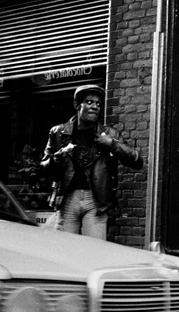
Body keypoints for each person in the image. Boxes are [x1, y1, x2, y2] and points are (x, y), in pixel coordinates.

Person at [41, 85, 143, 240]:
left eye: (98, 104)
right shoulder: (58, 133)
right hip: (67, 198)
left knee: (94, 249)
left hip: (96, 200)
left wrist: (112, 144)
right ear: (77, 105)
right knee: (63, 248)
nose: (95, 107)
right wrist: (55, 159)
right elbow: (41, 168)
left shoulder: (109, 134)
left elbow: (137, 161)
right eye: (89, 102)